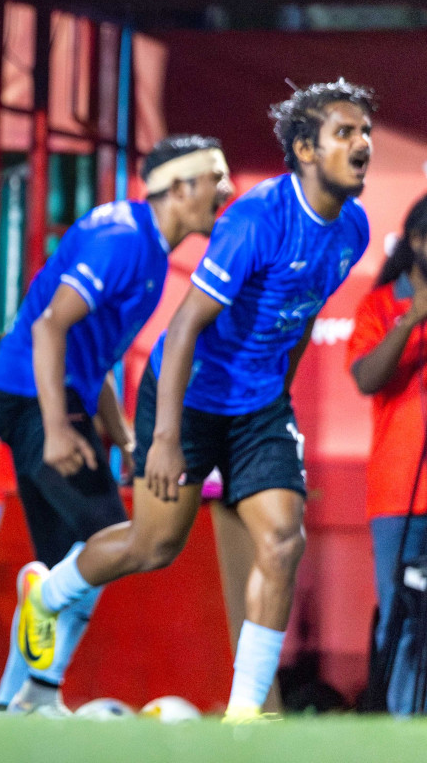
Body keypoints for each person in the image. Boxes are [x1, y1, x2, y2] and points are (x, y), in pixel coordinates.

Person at [19, 80, 375, 722]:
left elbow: (301, 317)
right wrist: (161, 438)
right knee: (154, 547)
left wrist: (277, 402)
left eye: (366, 132)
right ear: (304, 150)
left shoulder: (352, 226)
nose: (363, 144)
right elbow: (183, 328)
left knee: (282, 542)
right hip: (187, 400)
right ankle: (49, 593)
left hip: (260, 406)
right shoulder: (256, 220)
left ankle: (245, 717)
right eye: (345, 133)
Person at [0, 136, 233, 713]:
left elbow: (94, 354)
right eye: (214, 179)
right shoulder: (123, 241)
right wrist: (56, 428)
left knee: (67, 561)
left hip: (47, 392)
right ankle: (41, 690)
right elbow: (50, 328)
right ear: (177, 188)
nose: (226, 191)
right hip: (32, 395)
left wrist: (119, 432)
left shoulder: (146, 244)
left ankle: (11, 705)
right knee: (110, 540)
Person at [349, 193, 427, 716]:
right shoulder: (381, 304)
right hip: (402, 499)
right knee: (403, 625)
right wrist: (412, 320)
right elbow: (366, 377)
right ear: (418, 242)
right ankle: (403, 736)